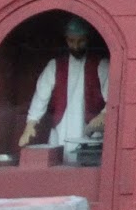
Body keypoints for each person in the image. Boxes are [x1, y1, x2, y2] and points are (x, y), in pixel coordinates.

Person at [19, 17, 110, 151]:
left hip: (90, 129)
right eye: (71, 41)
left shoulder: (101, 65)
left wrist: (103, 114)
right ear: (66, 40)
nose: (76, 46)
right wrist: (30, 124)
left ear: (88, 39)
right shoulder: (54, 66)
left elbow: (112, 98)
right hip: (61, 128)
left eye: (81, 41)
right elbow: (41, 96)